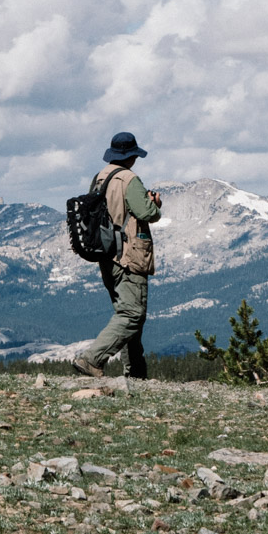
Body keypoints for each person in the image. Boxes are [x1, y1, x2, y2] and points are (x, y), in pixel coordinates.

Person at [71, 130, 162, 380]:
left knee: (127, 312)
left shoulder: (101, 177)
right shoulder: (128, 179)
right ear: (131, 156)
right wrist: (155, 204)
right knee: (132, 314)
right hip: (128, 255)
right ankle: (92, 359)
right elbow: (146, 213)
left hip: (107, 254)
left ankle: (135, 374)